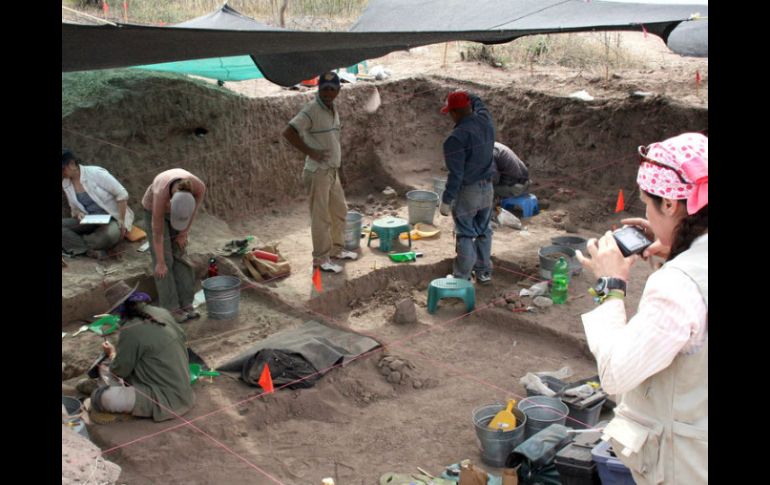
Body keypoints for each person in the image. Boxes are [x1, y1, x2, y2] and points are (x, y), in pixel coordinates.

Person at [576, 132, 708, 484]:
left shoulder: (678, 286)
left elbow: (617, 374)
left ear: (669, 203)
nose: (647, 213)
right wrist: (678, 246)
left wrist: (611, 287)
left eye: (649, 204)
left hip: (690, 466)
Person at [282, 71, 358, 274]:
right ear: (319, 89)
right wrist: (311, 152)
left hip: (331, 171)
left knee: (339, 210)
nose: (328, 93)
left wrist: (340, 168)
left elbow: (334, 142)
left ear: (338, 91)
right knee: (321, 216)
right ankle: (321, 259)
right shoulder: (312, 109)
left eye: (332, 89)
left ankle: (335, 250)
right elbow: (289, 132)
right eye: (325, 89)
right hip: (318, 172)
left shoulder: (332, 109)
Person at [90, 281, 195, 422]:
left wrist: (113, 354)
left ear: (121, 310)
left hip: (164, 397)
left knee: (99, 397)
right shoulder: (161, 312)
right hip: (184, 387)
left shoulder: (131, 330)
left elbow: (120, 371)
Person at [437, 90, 496, 284]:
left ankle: (462, 276)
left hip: (469, 192)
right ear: (469, 107)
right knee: (483, 231)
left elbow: (457, 175)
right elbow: (480, 103)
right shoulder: (485, 120)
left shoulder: (456, 138)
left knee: (465, 233)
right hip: (488, 189)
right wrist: (468, 94)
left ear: (454, 113)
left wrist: (446, 200)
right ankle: (483, 272)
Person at [142, 169, 206, 323]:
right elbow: (157, 234)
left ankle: (187, 303)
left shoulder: (198, 188)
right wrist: (161, 262)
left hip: (180, 210)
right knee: (165, 261)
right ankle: (171, 308)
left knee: (180, 255)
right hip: (153, 211)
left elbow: (193, 212)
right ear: (171, 201)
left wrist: (183, 232)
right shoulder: (160, 194)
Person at [61, 148, 135, 259]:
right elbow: (74, 208)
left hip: (113, 218)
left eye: (62, 169)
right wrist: (78, 213)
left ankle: (75, 245)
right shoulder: (65, 183)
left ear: (71, 163)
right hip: (90, 219)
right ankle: (86, 248)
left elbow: (122, 194)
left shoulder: (95, 173)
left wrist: (121, 220)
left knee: (108, 236)